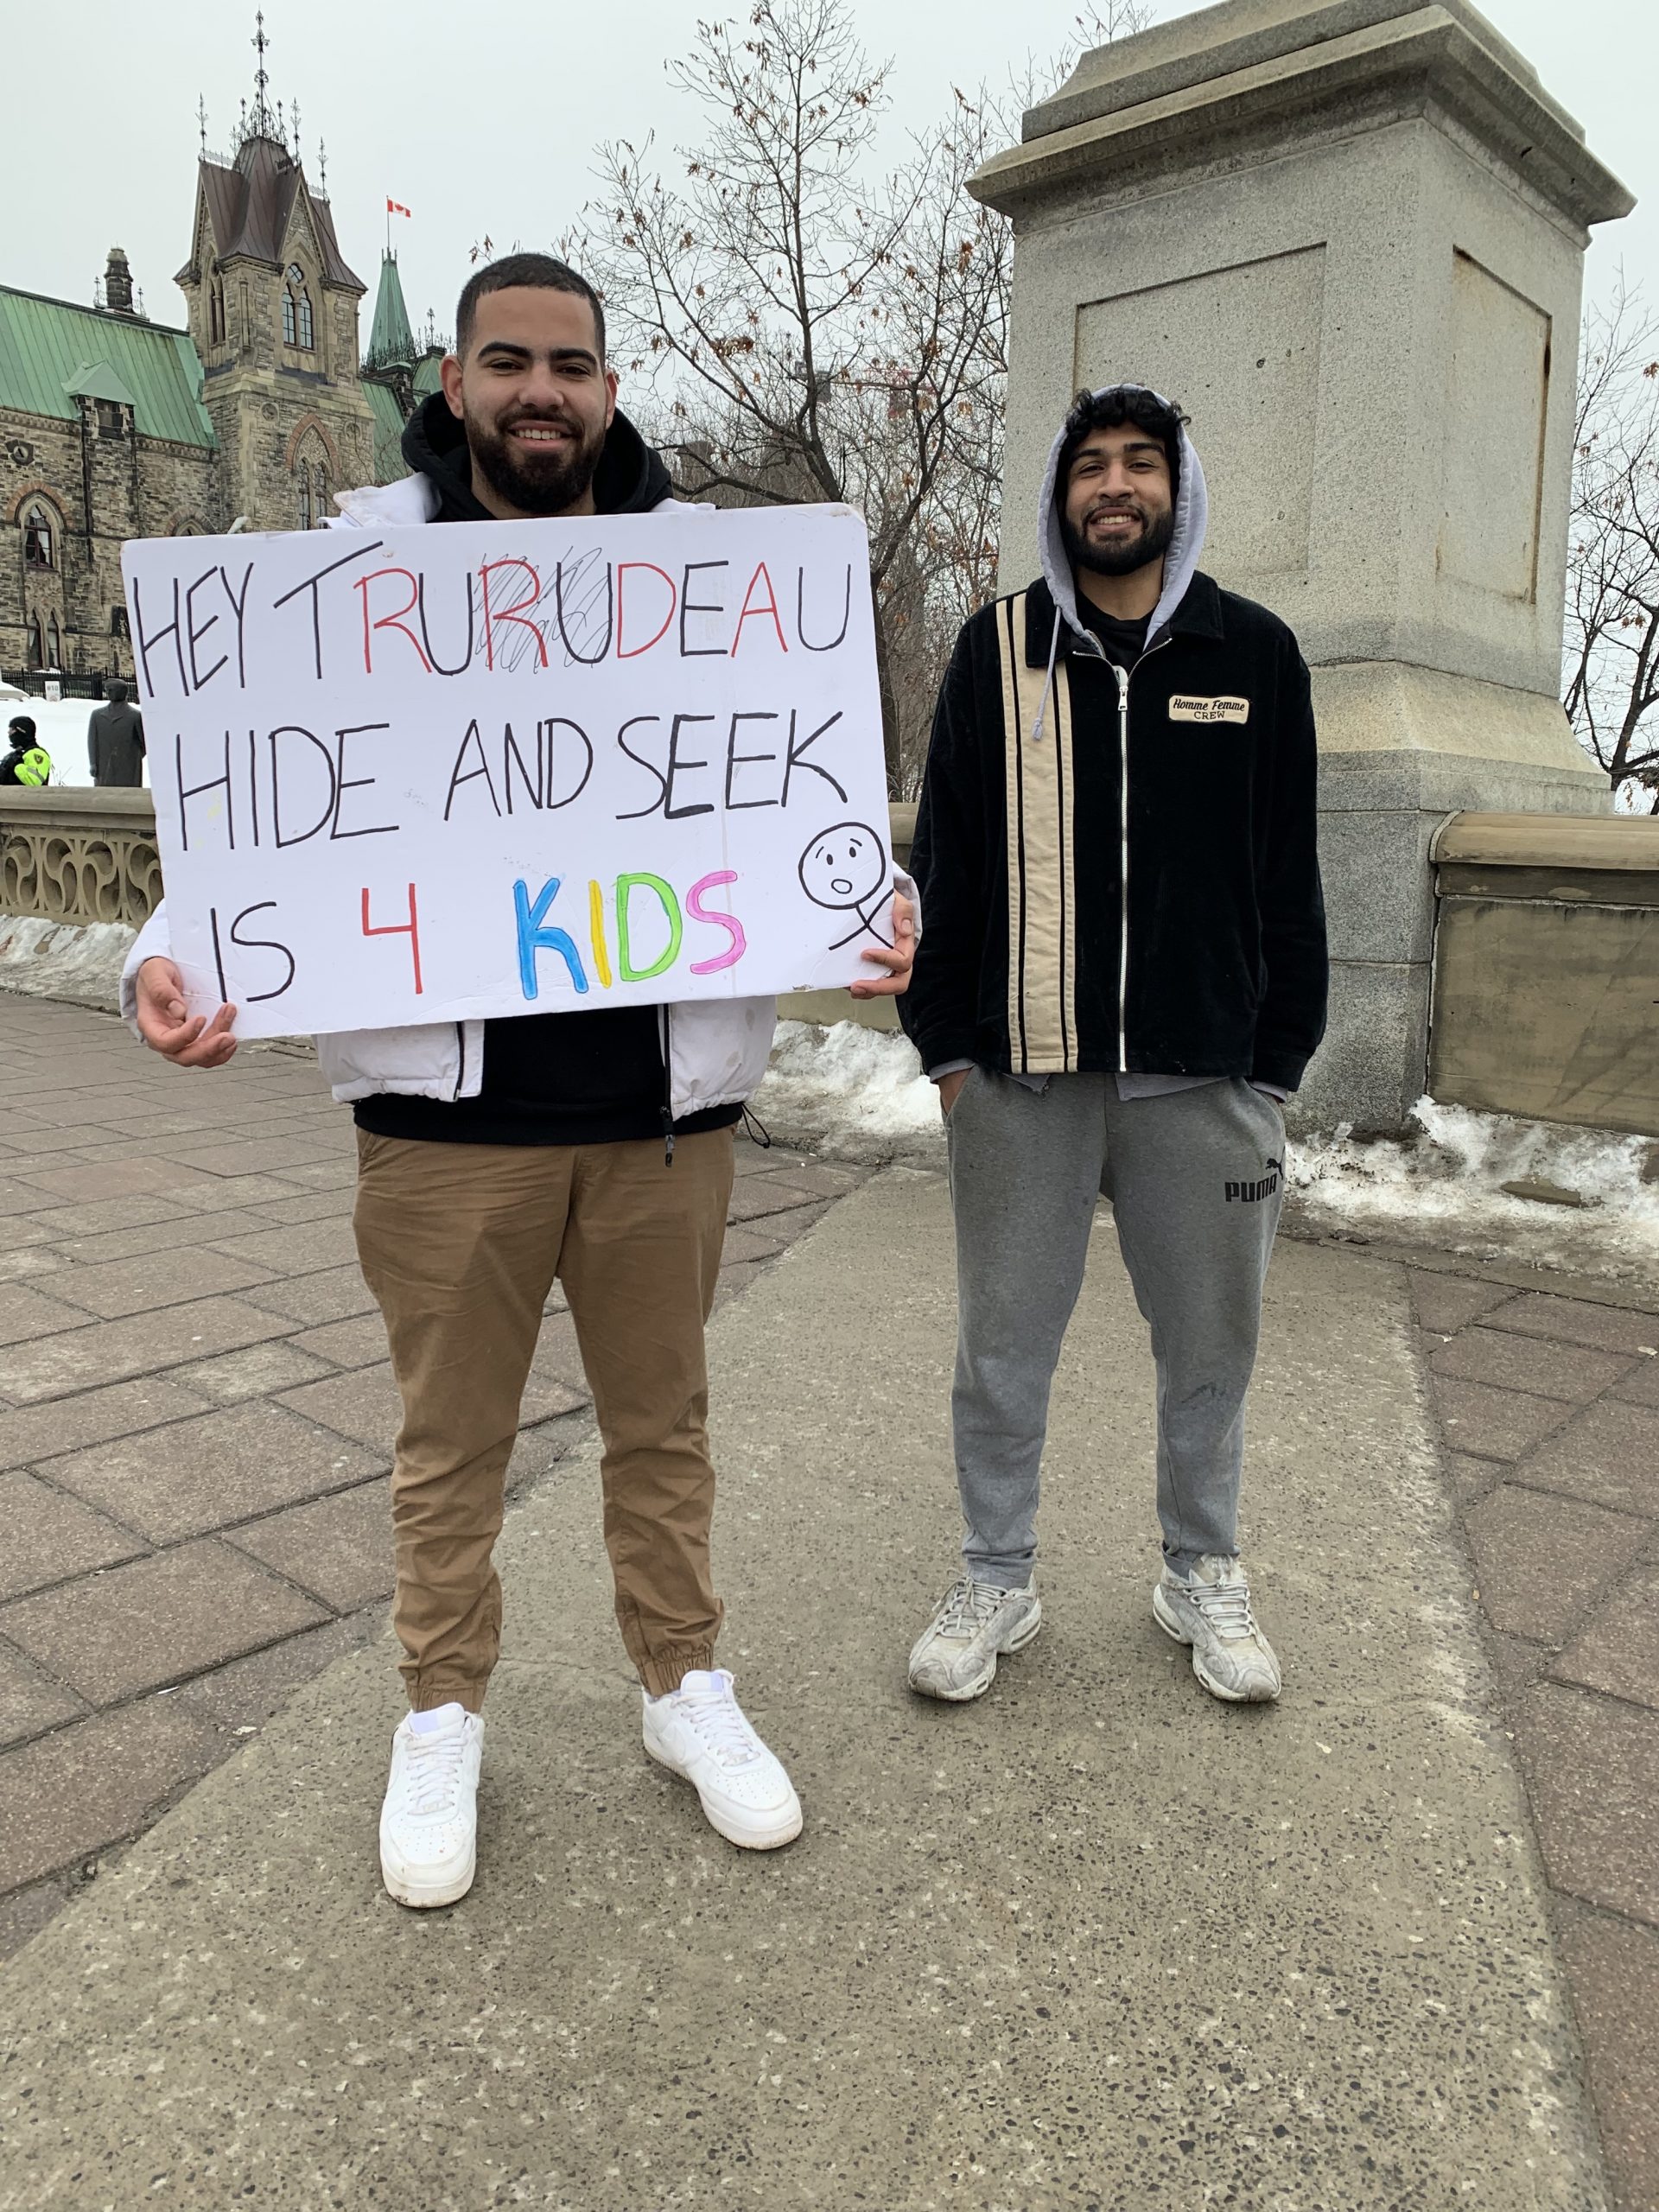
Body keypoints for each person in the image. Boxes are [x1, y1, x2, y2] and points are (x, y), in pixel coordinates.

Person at [124, 253, 916, 1906]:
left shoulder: (717, 578)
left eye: (571, 364)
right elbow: (259, 803)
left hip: (661, 1121)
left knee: (665, 1429)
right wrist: (166, 961)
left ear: (610, 388)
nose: (541, 391)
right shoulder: (353, 569)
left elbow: (795, 808)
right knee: (448, 1445)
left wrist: (863, 904)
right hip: (441, 1131)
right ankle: (441, 1711)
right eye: (508, 361)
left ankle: (682, 1686)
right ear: (459, 386)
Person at [899, 383, 1325, 1710]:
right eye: (1092, 466)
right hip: (1022, 1079)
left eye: (1142, 464)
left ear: (1177, 488)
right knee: (1002, 1346)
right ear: (1060, 494)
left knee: (1210, 1348)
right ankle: (996, 1573)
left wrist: (1277, 1059)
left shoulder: (1253, 653)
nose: (1116, 487)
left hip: (1204, 1082)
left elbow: (1288, 873)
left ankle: (1201, 1571)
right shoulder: (997, 651)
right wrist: (948, 1054)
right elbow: (947, 863)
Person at [87, 677, 146, 786]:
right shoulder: (97, 715)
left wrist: (133, 756)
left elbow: (144, 743)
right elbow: (92, 741)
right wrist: (93, 763)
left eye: (111, 690)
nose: (107, 692)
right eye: (107, 690)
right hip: (104, 766)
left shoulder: (135, 716)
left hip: (128, 767)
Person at [0, 716, 51, 786]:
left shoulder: (36, 753)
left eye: (12, 729)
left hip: (29, 796)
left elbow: (35, 781)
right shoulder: (15, 755)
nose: (9, 732)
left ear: (21, 731)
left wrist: (17, 766)